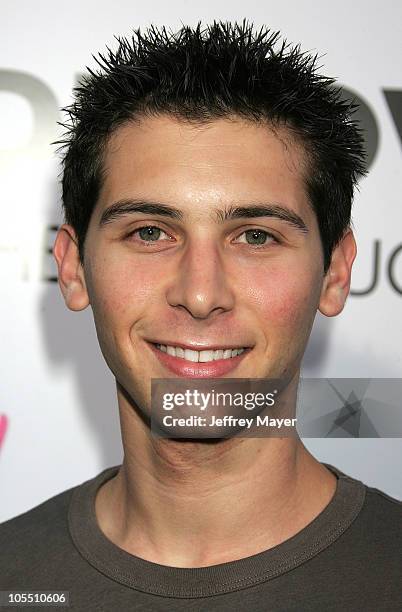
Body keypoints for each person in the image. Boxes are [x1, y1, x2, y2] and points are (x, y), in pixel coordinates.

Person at [1, 20, 401, 611]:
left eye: (256, 237)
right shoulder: (12, 574)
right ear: (73, 268)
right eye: (151, 231)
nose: (200, 293)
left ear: (336, 273)